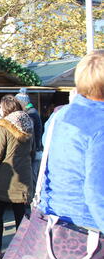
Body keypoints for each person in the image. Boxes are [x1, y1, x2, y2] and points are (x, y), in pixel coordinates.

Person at [38, 50, 104, 234]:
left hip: (54, 220)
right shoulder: (100, 124)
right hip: (89, 228)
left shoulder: (59, 115)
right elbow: (97, 193)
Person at [0, 95, 34, 259]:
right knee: (21, 216)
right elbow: (32, 151)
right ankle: (21, 252)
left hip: (4, 178)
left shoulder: (3, 127)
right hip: (24, 176)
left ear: (4, 108)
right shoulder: (28, 125)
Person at [14, 88, 42, 189]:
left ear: (22, 103)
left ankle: (33, 202)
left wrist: (31, 152)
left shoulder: (31, 115)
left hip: (34, 152)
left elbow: (32, 136)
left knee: (33, 179)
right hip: (36, 151)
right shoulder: (32, 111)